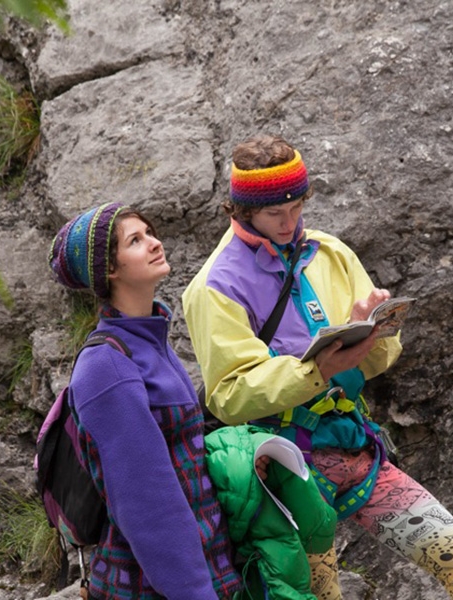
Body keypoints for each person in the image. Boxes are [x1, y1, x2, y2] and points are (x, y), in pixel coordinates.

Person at [181, 135, 453, 600]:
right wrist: (317, 370)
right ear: (241, 210)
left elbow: (378, 361)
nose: (290, 221)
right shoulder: (214, 286)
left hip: (356, 449)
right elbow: (230, 396)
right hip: (288, 476)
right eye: (275, 213)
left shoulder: (329, 252)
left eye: (297, 206)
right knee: (323, 596)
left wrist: (372, 332)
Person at [48, 202, 336, 600]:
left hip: (208, 562)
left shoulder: (152, 341)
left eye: (149, 232)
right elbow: (146, 502)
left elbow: (187, 450)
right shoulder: (107, 366)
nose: (154, 243)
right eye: (135, 240)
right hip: (152, 582)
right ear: (109, 270)